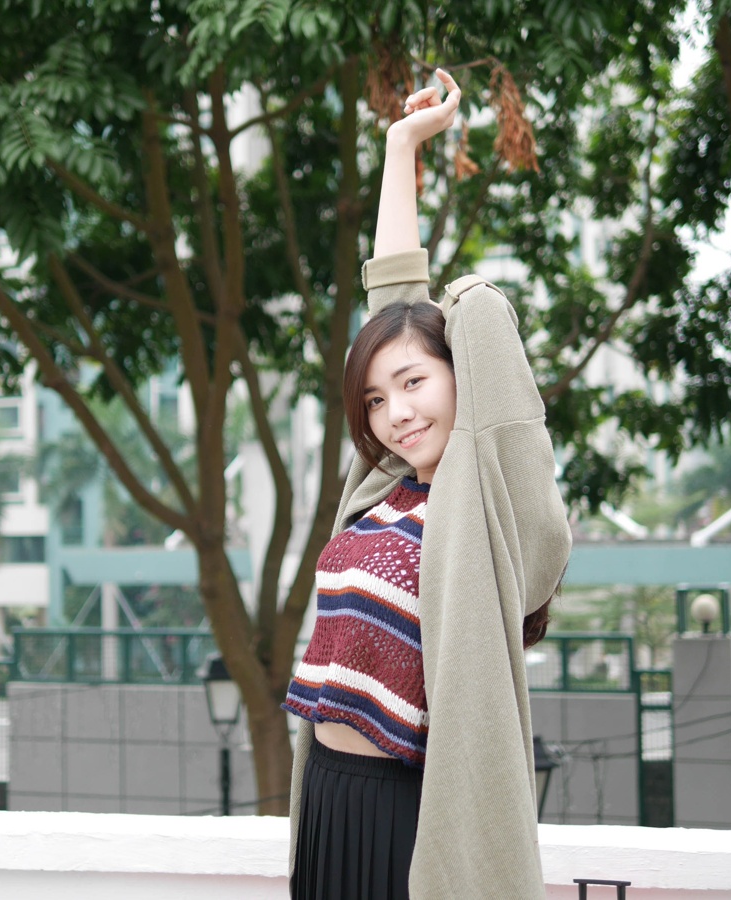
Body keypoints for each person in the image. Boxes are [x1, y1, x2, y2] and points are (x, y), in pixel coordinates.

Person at [281, 69, 572, 899]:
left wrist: (468, 295)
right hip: (329, 798)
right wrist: (400, 147)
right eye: (375, 399)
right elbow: (392, 304)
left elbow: (474, 347)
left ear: (461, 376)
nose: (395, 413)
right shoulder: (380, 489)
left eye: (415, 383)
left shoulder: (487, 514)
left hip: (411, 814)